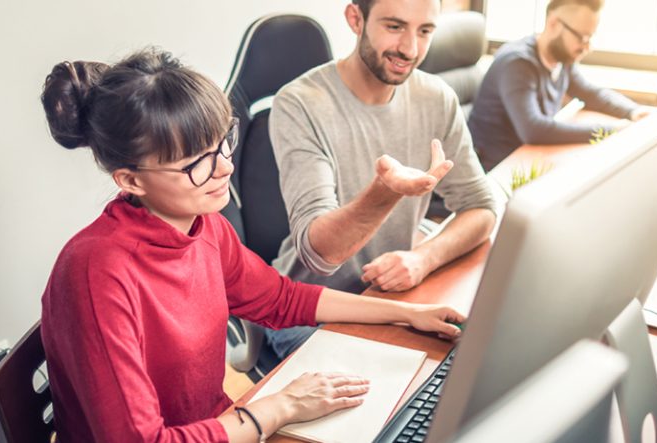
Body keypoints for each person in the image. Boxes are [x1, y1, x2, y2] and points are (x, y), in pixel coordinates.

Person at [39, 48, 465, 443]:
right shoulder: (96, 272)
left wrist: (409, 315)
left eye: (223, 141)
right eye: (197, 162)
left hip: (224, 426)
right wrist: (282, 406)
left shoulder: (205, 227)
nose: (225, 166)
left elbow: (283, 300)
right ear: (130, 180)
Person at [266, 0, 498, 359]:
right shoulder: (300, 103)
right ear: (355, 19)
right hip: (310, 311)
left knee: (467, 371)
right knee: (394, 395)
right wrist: (386, 192)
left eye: (425, 31)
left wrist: (422, 259)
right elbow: (320, 255)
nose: (410, 49)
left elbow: (481, 208)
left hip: (392, 300)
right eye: (394, 26)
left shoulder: (437, 98)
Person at [467, 0, 653, 171]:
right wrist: (610, 132)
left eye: (590, 38)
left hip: (527, 159)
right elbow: (533, 130)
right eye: (582, 37)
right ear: (554, 24)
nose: (587, 47)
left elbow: (591, 94)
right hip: (497, 170)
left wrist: (633, 111)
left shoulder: (561, 60)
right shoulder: (517, 64)